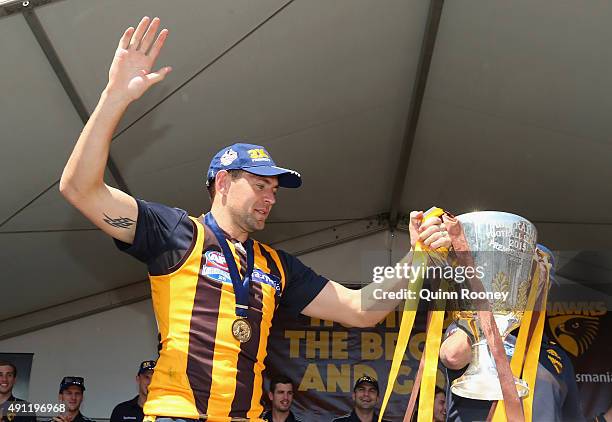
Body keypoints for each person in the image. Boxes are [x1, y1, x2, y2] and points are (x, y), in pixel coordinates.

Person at [59, 16, 451, 420]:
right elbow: (79, 189)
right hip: (178, 414)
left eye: (275, 191)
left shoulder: (275, 265)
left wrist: (416, 255)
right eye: (261, 186)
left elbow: (361, 309)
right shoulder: (176, 233)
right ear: (224, 182)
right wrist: (115, 96)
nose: (271, 198)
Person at [439, 245, 585, 422]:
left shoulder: (557, 356)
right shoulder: (471, 329)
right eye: (523, 281)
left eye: (541, 285)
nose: (532, 292)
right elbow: (453, 356)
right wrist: (485, 306)